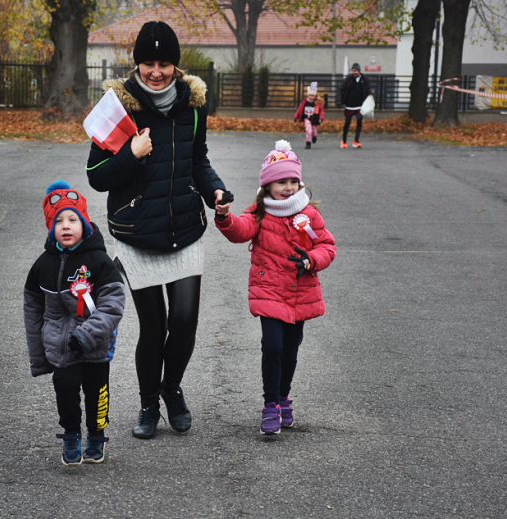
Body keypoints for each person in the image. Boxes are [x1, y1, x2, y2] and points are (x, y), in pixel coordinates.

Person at [85, 21, 228, 440]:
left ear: (175, 65)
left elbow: (197, 159)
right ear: (138, 63)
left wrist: (214, 190)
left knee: (185, 321)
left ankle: (171, 388)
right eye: (149, 62)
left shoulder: (193, 106)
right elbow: (96, 175)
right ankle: (149, 404)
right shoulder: (118, 108)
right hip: (136, 232)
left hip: (184, 227)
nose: (156, 71)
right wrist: (131, 154)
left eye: (164, 63)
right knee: (154, 325)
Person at [214, 141, 336, 435]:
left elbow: (327, 246)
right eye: (282, 181)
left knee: (291, 351)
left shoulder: (309, 215)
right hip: (268, 290)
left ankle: (283, 397)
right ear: (268, 185)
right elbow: (240, 229)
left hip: (299, 293)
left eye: (294, 181)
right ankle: (270, 404)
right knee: (272, 346)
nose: (289, 187)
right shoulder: (258, 212)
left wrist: (311, 260)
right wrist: (224, 217)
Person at [23, 180, 126, 465]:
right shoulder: (42, 266)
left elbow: (113, 303)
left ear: (85, 224)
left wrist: (88, 333)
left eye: (72, 219)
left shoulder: (99, 261)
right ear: (50, 228)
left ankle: (96, 435)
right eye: (59, 222)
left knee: (97, 394)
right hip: (61, 349)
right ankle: (70, 435)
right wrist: (39, 355)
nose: (66, 226)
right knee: (65, 392)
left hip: (94, 346)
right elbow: (32, 312)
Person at [337, 63, 374, 149]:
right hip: (349, 105)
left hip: (359, 106)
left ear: (359, 71)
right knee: (347, 123)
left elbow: (368, 88)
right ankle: (344, 141)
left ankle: (356, 141)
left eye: (355, 71)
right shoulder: (348, 79)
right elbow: (340, 89)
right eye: (352, 70)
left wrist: (371, 92)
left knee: (359, 121)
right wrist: (339, 101)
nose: (354, 72)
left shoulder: (364, 79)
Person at [294, 82, 325, 149]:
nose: (311, 97)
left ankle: (314, 136)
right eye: (310, 95)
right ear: (308, 95)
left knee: (314, 130)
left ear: (315, 96)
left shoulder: (317, 103)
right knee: (308, 130)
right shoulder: (304, 102)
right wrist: (296, 116)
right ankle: (308, 142)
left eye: (312, 95)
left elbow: (321, 111)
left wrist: (321, 118)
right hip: (306, 118)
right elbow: (299, 109)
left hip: (314, 118)